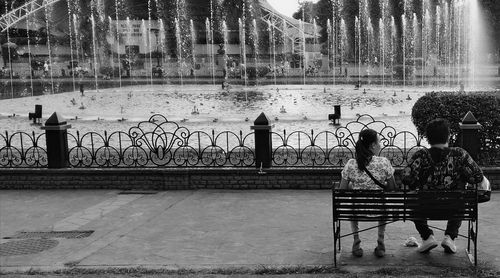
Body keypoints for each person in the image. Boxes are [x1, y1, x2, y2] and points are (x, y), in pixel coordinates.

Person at [402, 119, 483, 254]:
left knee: (411, 199)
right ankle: (450, 237)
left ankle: (427, 236)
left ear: (428, 138)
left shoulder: (420, 155)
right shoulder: (460, 154)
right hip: (453, 208)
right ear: (448, 136)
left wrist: (418, 182)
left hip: (425, 207)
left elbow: (406, 179)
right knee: (461, 198)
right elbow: (478, 177)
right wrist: (462, 177)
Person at [339, 129, 396, 258]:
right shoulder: (384, 162)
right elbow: (392, 188)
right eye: (379, 142)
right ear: (373, 145)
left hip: (357, 209)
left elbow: (342, 191)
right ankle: (381, 244)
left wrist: (351, 185)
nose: (380, 145)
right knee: (384, 204)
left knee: (352, 203)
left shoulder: (351, 164)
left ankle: (356, 242)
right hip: (380, 209)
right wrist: (383, 185)